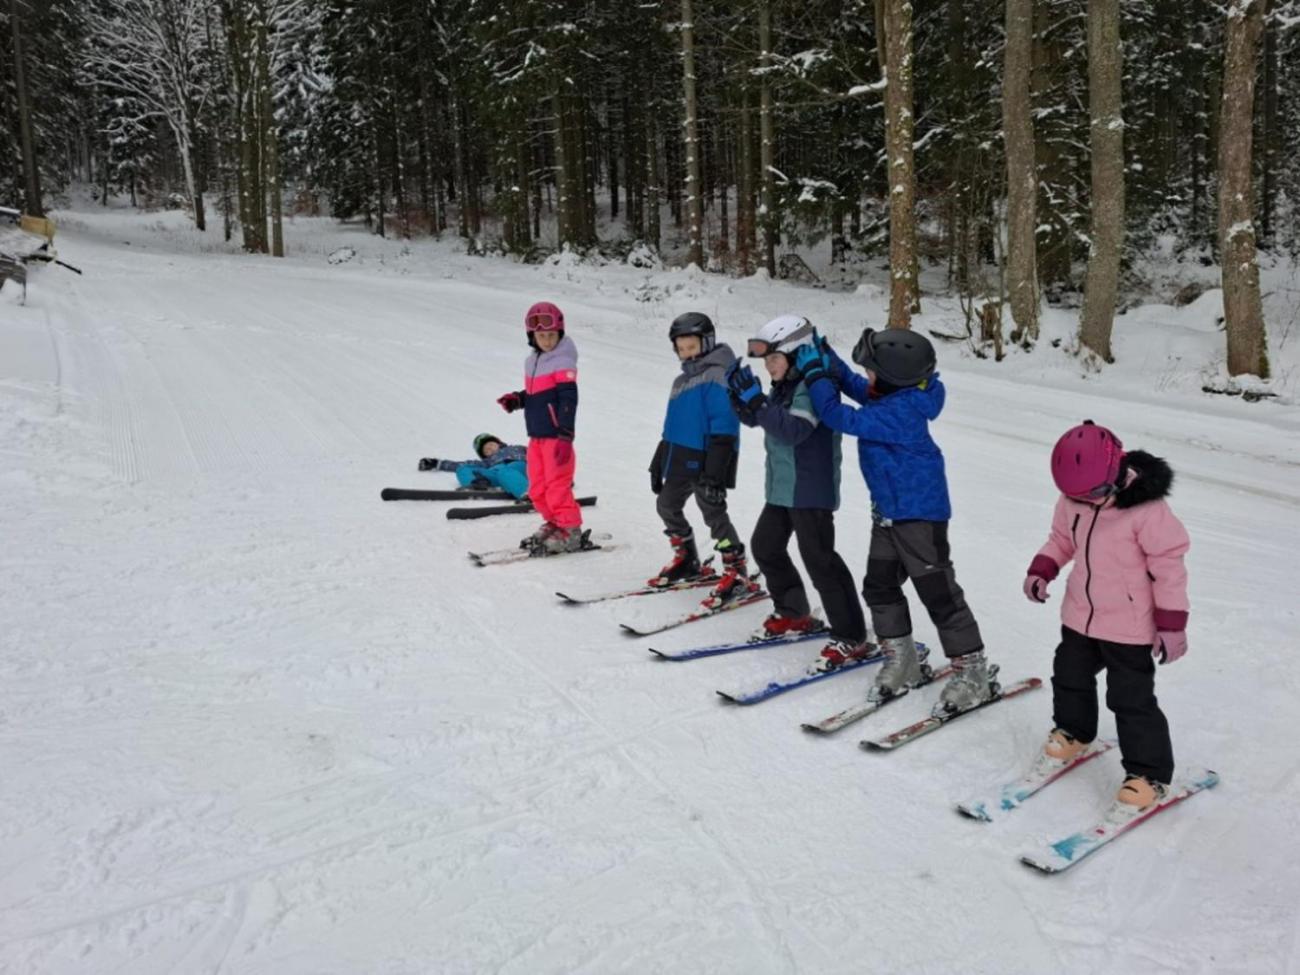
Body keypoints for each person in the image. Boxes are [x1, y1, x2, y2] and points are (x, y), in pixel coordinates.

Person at [794, 328, 994, 707]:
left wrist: (817, 376)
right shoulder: (896, 394)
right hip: (888, 514)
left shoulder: (901, 412)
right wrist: (828, 358)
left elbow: (840, 416)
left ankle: (972, 671)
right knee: (879, 586)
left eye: (872, 372)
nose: (866, 378)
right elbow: (859, 387)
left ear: (890, 377)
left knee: (939, 595)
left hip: (918, 518)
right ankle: (902, 660)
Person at [1023, 420, 1190, 813]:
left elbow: (1169, 568)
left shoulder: (1148, 511)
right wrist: (1042, 569)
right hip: (1080, 614)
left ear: (1117, 470)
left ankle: (1148, 775)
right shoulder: (1075, 500)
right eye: (1076, 495)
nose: (1087, 501)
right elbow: (1062, 539)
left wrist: (1172, 625)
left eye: (1094, 493)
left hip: (1129, 626)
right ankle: (1075, 733)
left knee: (1130, 700)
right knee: (1069, 676)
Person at [726, 315, 868, 660]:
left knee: (820, 560)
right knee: (766, 546)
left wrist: (758, 402)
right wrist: (740, 399)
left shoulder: (813, 388)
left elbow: (794, 430)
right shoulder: (785, 386)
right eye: (766, 361)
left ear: (795, 354)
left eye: (774, 358)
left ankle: (851, 636)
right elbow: (760, 420)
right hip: (783, 488)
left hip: (810, 489)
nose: (769, 366)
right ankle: (793, 613)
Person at [648, 312, 753, 606]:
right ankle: (687, 558)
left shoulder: (718, 374)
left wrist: (715, 474)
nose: (686, 353)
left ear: (706, 343)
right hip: (680, 458)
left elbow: (725, 426)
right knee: (666, 505)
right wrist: (660, 460)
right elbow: (672, 425)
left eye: (691, 346)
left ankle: (736, 569)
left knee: (714, 517)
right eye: (681, 348)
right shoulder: (681, 381)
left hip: (709, 460)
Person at [497, 301, 584, 554]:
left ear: (560, 333)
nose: (547, 340)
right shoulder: (533, 361)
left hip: (557, 437)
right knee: (536, 488)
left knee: (557, 485)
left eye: (551, 335)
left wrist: (566, 436)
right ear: (532, 336)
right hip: (536, 437)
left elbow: (568, 399)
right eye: (541, 335)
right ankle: (554, 523)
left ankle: (571, 530)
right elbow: (539, 395)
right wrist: (519, 399)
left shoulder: (563, 361)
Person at [418, 434, 529, 499]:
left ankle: (528, 494)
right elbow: (461, 464)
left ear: (498, 443)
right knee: (463, 469)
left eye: (490, 445)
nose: (489, 449)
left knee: (505, 471)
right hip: (497, 474)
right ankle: (477, 486)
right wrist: (437, 463)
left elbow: (539, 451)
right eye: (486, 450)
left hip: (521, 467)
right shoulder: (487, 462)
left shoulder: (516, 448)